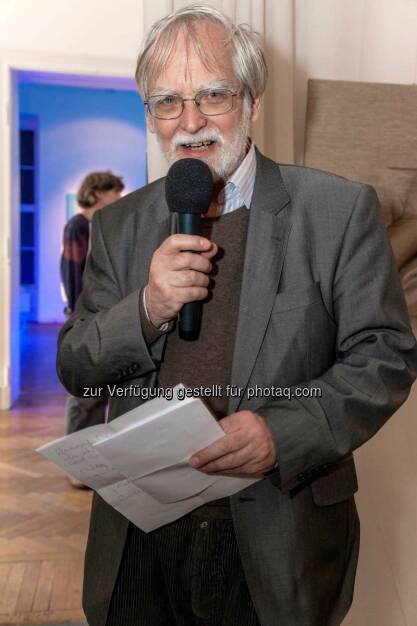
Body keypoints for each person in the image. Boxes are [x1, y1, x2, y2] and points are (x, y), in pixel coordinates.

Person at [57, 5, 417, 626]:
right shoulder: (119, 225)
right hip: (140, 537)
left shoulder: (335, 210)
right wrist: (148, 308)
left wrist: (284, 432)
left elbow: (385, 356)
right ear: (151, 117)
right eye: (168, 102)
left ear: (251, 101)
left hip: (277, 537)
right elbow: (76, 367)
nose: (190, 122)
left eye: (213, 95)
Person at [60, 171, 124, 486]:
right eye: (115, 192)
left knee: (102, 394)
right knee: (86, 395)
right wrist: (79, 317)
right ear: (99, 193)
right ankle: (77, 468)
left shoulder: (106, 225)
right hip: (88, 319)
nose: (120, 198)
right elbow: (73, 273)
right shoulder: (77, 227)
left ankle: (97, 463)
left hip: (108, 315)